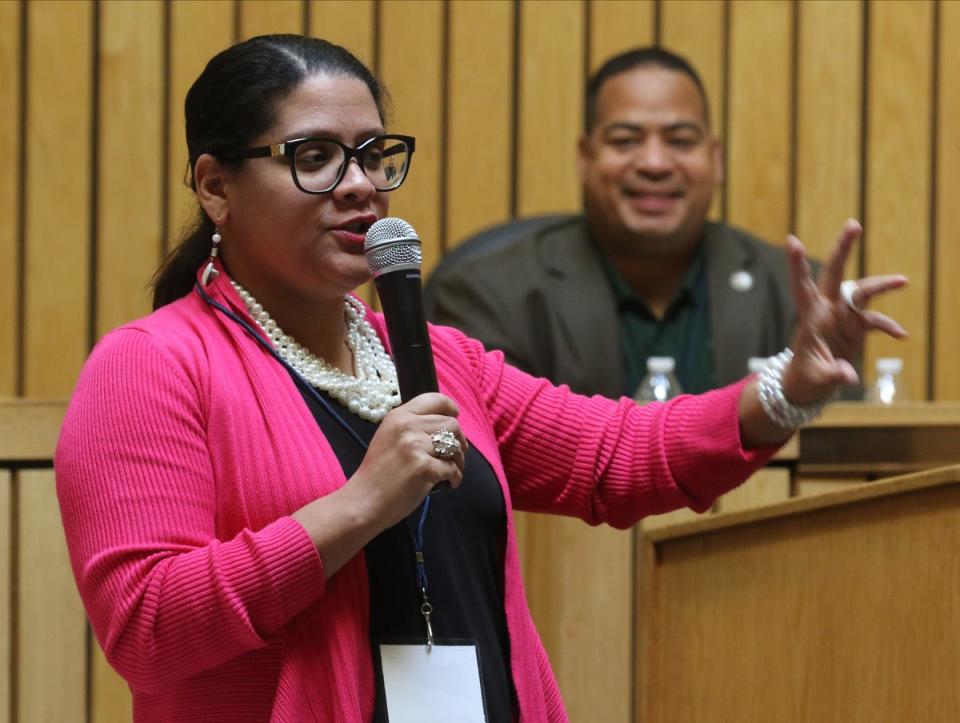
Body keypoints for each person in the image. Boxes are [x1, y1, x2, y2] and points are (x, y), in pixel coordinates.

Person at [54, 34, 906, 722]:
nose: (359, 186)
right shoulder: (153, 364)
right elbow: (148, 626)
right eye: (313, 156)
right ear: (215, 185)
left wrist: (788, 385)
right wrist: (359, 503)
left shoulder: (437, 356)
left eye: (373, 155)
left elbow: (613, 453)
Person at [425, 46, 850, 400]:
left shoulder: (796, 294)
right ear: (584, 157)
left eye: (680, 141)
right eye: (625, 140)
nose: (654, 163)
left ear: (716, 159)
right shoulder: (487, 295)